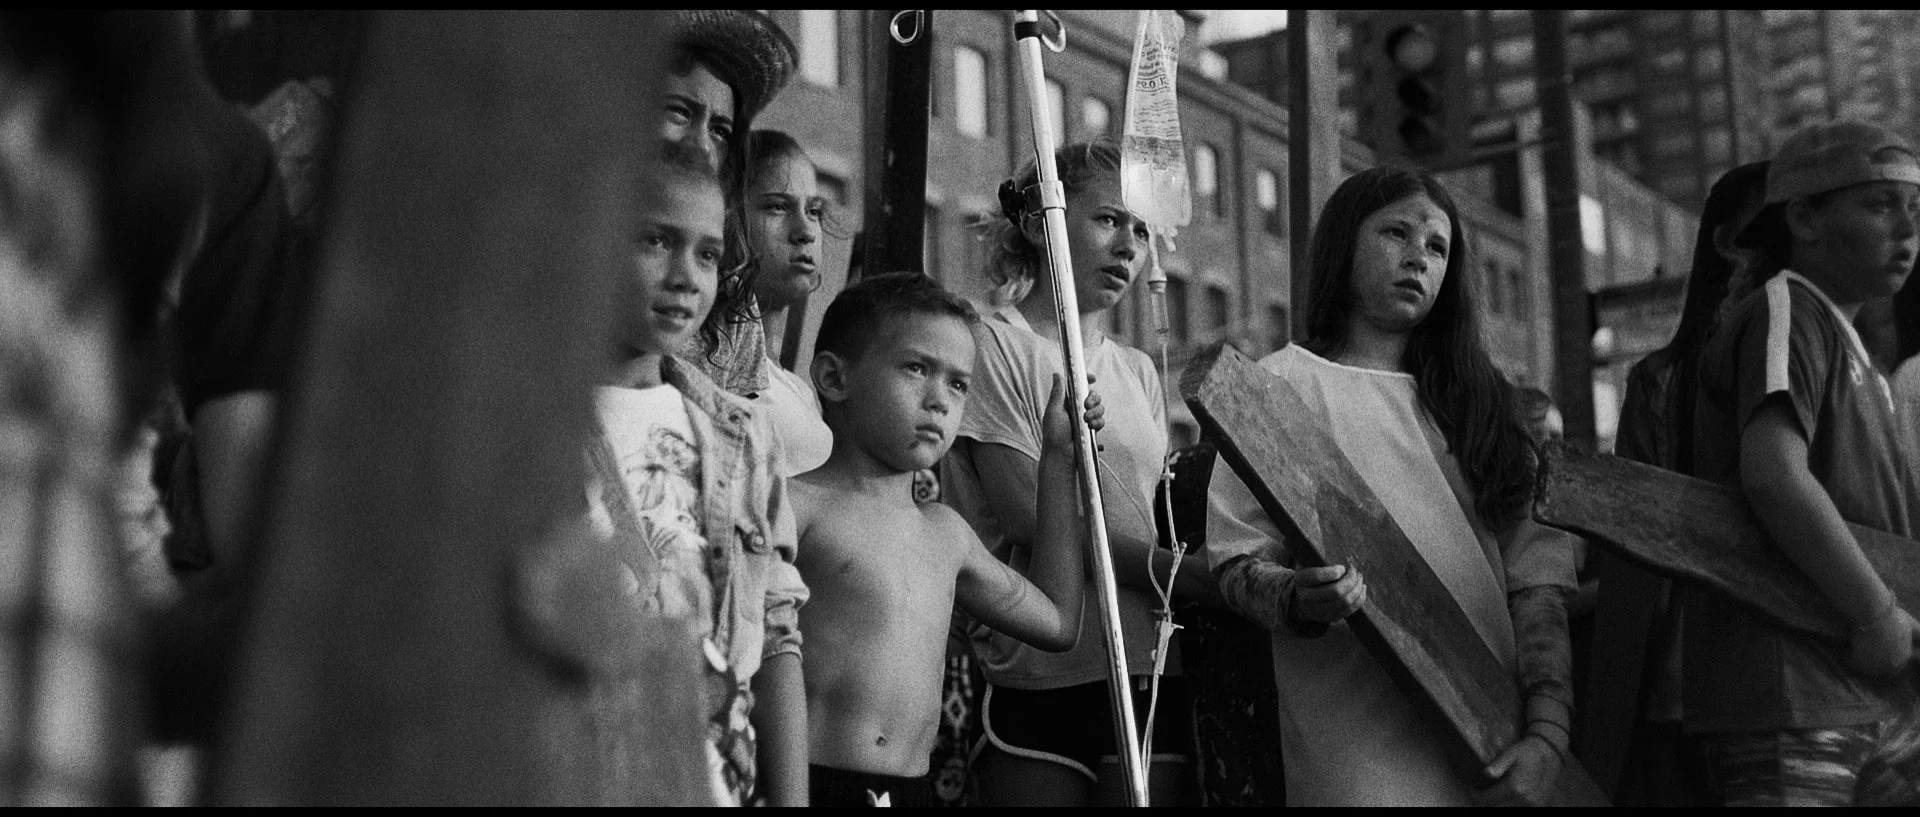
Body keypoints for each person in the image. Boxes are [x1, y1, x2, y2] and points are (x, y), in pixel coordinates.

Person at [1204, 165, 1582, 806]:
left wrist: (1548, 731)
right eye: (1395, 234)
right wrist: (1297, 597)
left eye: (1438, 247)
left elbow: (1536, 580)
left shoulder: (1489, 405)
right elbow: (1234, 561)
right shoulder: (1276, 388)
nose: (1418, 258)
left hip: (1495, 735)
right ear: (1343, 243)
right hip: (1350, 740)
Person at [942, 139, 1218, 806]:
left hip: (1149, 663)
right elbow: (1030, 519)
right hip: (1039, 671)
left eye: (1142, 230)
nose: (1128, 246)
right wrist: (1194, 577)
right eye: (1108, 219)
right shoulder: (993, 343)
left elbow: (1149, 511)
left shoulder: (1139, 370)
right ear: (1042, 223)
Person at [791, 272, 1101, 807]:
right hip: (808, 783)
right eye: (916, 368)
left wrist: (1058, 462)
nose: (939, 400)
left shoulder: (947, 534)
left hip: (913, 790)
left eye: (958, 384)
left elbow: (1056, 623)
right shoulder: (794, 506)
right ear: (834, 378)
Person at [1683, 120, 1920, 807]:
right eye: (1880, 205)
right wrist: (1875, 612)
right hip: (1787, 688)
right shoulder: (1789, 310)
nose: (1908, 230)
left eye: (1915, 208)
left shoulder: (1860, 353)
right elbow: (1774, 474)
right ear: (1805, 219)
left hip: (1864, 692)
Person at [587, 140, 808, 806]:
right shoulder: (527, 428)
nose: (686, 276)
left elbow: (777, 634)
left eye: (708, 254)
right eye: (655, 241)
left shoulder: (743, 437)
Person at [1597, 160, 1769, 806]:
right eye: (1772, 224)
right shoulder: (1663, 383)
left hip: (1797, 685)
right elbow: (1632, 562)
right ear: (1727, 243)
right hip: (1699, 687)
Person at [662, 10, 796, 399]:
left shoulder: (730, 283)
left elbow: (743, 422)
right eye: (679, 112)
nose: (702, 146)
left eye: (720, 130)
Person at [738, 129, 833, 477]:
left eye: (814, 210)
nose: (805, 231)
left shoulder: (798, 388)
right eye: (778, 207)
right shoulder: (713, 372)